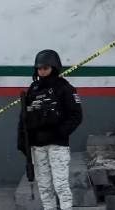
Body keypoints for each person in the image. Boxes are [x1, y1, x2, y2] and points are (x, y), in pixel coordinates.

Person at [17, 49, 83, 210]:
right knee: (45, 187)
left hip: (57, 145)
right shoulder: (33, 88)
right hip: (37, 145)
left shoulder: (65, 88)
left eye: (45, 68)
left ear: (54, 67)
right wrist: (22, 140)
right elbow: (24, 117)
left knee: (60, 185)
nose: (42, 71)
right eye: (39, 68)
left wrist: (59, 133)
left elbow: (76, 116)